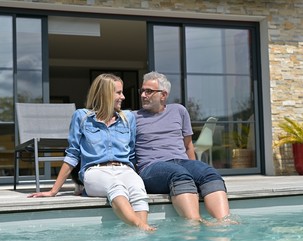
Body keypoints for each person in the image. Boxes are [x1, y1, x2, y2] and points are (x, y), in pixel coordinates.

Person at [28, 73, 155, 231]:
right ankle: (142, 226)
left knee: (137, 188)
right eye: (118, 92)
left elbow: (132, 154)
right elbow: (73, 154)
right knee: (116, 186)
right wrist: (54, 191)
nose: (123, 97)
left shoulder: (128, 118)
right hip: (95, 171)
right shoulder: (81, 117)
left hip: (124, 168)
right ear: (105, 94)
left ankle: (138, 235)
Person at [134, 71, 233, 223]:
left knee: (208, 172)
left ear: (163, 95)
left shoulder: (179, 111)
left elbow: (188, 145)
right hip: (151, 168)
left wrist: (195, 168)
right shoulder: (133, 118)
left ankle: (224, 222)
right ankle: (195, 222)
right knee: (179, 173)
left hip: (180, 162)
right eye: (142, 91)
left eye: (149, 91)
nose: (143, 95)